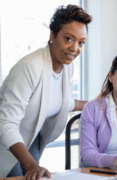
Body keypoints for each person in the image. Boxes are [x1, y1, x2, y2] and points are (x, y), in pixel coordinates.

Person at [0, 4, 92, 179]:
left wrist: (96, 104)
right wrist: (32, 166)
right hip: (7, 142)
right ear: (53, 35)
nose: (75, 48)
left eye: (81, 42)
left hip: (30, 138)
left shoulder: (67, 67)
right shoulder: (30, 67)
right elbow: (6, 124)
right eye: (68, 39)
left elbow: (61, 101)